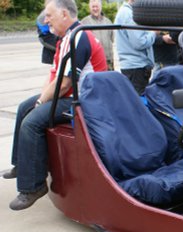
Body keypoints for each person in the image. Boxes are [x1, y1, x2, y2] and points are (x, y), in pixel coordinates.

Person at [4, 0, 107, 210]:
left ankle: (33, 186)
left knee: (31, 123)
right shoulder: (65, 39)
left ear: (63, 14)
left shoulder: (78, 37)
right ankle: (21, 164)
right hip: (71, 94)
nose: (46, 19)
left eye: (49, 15)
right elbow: (54, 77)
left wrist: (42, 103)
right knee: (25, 107)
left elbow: (65, 83)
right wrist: (41, 98)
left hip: (87, 99)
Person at [114, 0, 156, 95]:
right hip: (136, 68)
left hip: (134, 68)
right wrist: (154, 33)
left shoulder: (127, 12)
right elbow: (139, 43)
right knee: (138, 103)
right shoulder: (130, 14)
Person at [81, 0, 114, 70]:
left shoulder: (108, 22)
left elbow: (113, 39)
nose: (95, 9)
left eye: (97, 7)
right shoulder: (84, 23)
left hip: (108, 62)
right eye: (93, 7)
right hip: (93, 63)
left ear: (101, 7)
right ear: (89, 8)